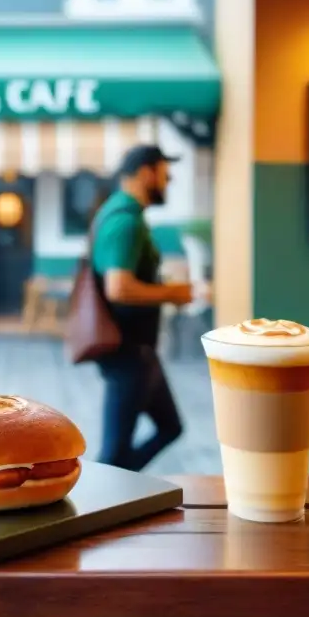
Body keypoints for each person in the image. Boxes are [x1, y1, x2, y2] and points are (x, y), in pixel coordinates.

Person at [90, 144, 193, 471]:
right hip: (127, 352)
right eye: (166, 172)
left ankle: (123, 489)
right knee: (113, 457)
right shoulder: (126, 222)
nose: (169, 180)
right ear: (148, 172)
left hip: (140, 351)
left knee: (170, 427)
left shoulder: (122, 214)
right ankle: (106, 502)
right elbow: (118, 287)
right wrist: (173, 292)